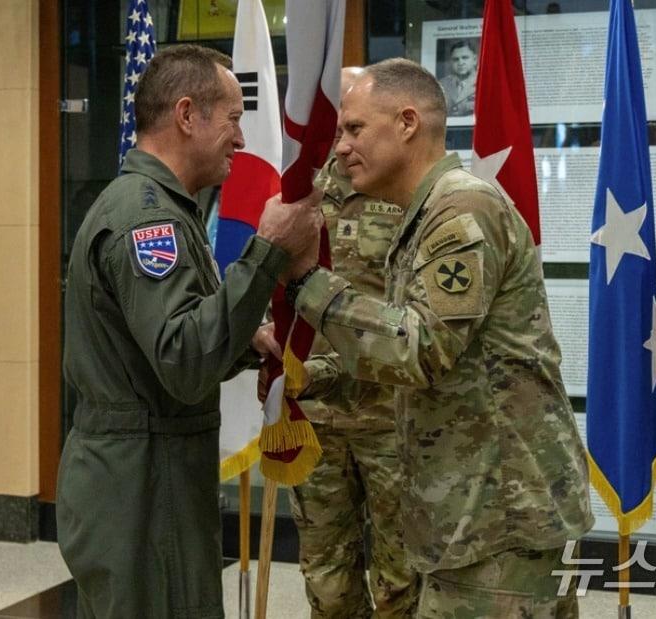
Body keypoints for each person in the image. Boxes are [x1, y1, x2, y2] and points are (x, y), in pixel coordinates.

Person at [281, 58, 593, 617]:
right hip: (468, 517)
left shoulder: (460, 211)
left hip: (500, 521)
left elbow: (419, 350)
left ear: (406, 123)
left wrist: (309, 283)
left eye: (354, 130)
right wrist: (312, 372)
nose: (341, 148)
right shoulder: (424, 212)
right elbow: (422, 353)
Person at [56, 44, 322, 619]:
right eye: (232, 118)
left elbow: (159, 349)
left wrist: (245, 341)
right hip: (142, 487)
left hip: (151, 474)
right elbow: (182, 360)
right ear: (186, 115)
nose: (243, 140)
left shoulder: (165, 207)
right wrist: (267, 251)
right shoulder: (147, 219)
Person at [285, 67, 420, 619]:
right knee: (326, 576)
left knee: (400, 576)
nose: (342, 136)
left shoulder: (406, 187)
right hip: (316, 412)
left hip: (392, 417)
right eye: (336, 119)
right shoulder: (299, 189)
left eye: (352, 121)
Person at [437, 40, 478, 117]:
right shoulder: (442, 84)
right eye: (456, 59)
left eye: (465, 58)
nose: (460, 63)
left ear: (475, 60)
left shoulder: (484, 82)